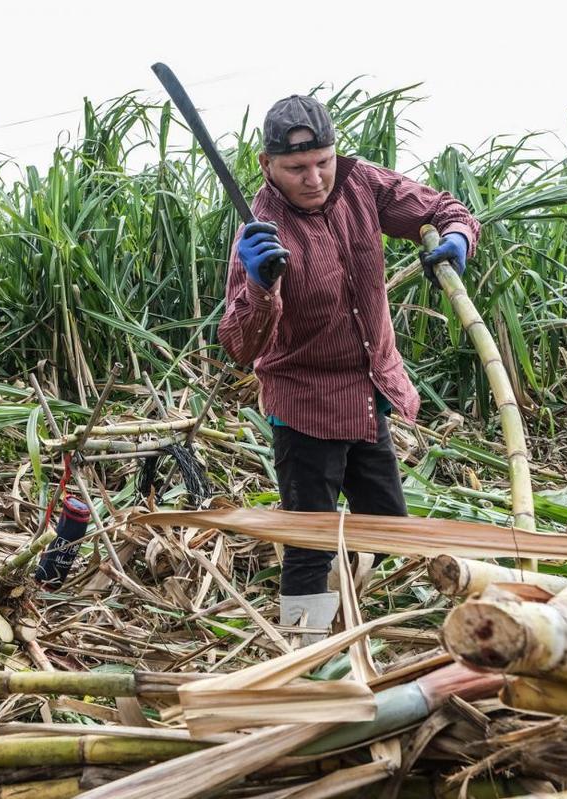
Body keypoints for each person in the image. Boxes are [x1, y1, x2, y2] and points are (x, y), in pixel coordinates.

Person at [218, 94, 480, 644]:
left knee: (389, 530)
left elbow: (443, 209)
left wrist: (456, 240)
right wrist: (261, 286)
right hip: (306, 407)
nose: (314, 178)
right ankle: (305, 651)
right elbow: (241, 345)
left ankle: (386, 630)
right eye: (295, 168)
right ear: (267, 167)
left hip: (368, 393)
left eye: (323, 162)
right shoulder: (261, 229)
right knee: (309, 544)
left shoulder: (361, 185)